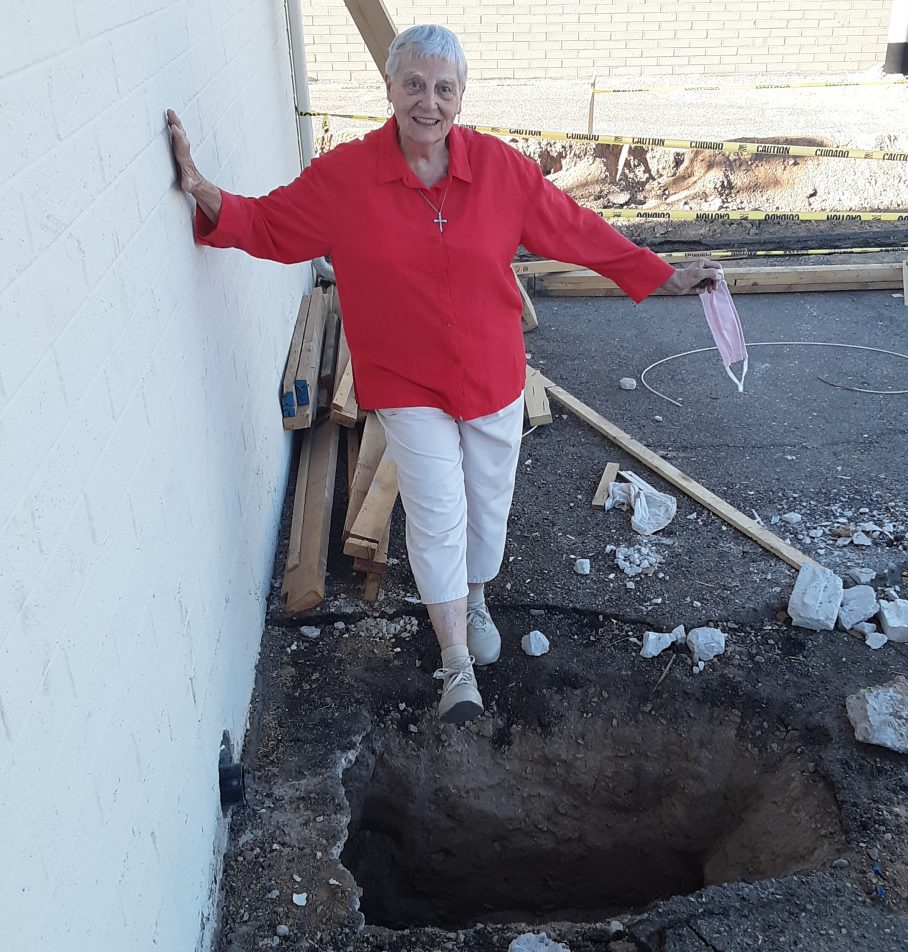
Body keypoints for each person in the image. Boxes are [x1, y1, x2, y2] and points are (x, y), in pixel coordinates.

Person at [167, 24, 721, 726]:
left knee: (488, 503)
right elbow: (274, 225)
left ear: (461, 99)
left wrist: (663, 275)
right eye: (414, 85)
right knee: (435, 512)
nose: (428, 102)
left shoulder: (500, 171)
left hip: (491, 373)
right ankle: (456, 664)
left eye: (443, 88)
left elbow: (577, 229)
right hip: (403, 380)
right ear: (391, 90)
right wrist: (204, 191)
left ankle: (477, 594)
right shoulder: (348, 177)